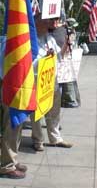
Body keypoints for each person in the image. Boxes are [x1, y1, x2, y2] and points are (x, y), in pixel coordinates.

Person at [30, 15, 73, 151]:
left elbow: (59, 57)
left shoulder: (50, 39)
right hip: (37, 81)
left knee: (54, 111)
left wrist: (67, 44)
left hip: (51, 80)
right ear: (37, 23)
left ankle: (55, 138)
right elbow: (31, 63)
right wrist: (45, 58)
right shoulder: (30, 41)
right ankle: (38, 140)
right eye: (46, 21)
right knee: (37, 111)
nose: (50, 24)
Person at [0, 35, 26, 179]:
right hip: (10, 87)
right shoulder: (9, 41)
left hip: (18, 87)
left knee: (16, 124)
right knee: (10, 125)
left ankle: (12, 160)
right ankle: (7, 165)